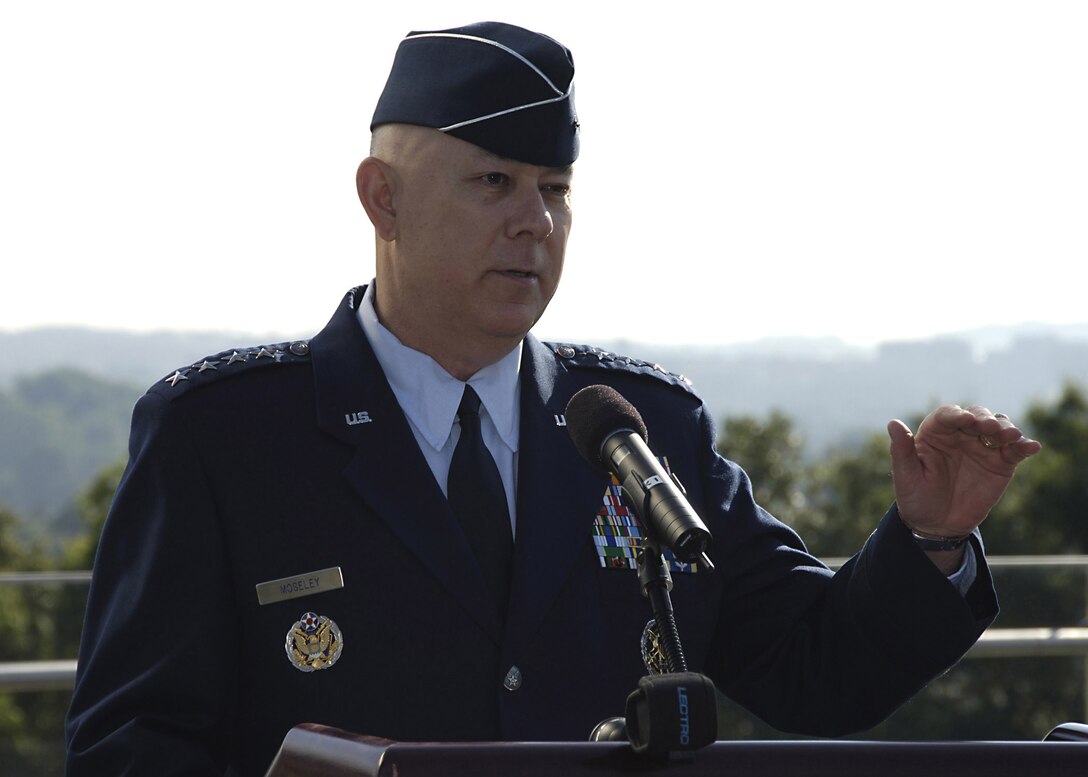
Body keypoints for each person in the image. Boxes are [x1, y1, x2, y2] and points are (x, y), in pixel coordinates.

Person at [64, 20, 1041, 777]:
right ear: (381, 198)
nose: (533, 222)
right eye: (492, 182)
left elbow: (810, 671)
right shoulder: (227, 438)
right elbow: (129, 748)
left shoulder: (640, 431)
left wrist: (928, 541)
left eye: (555, 188)